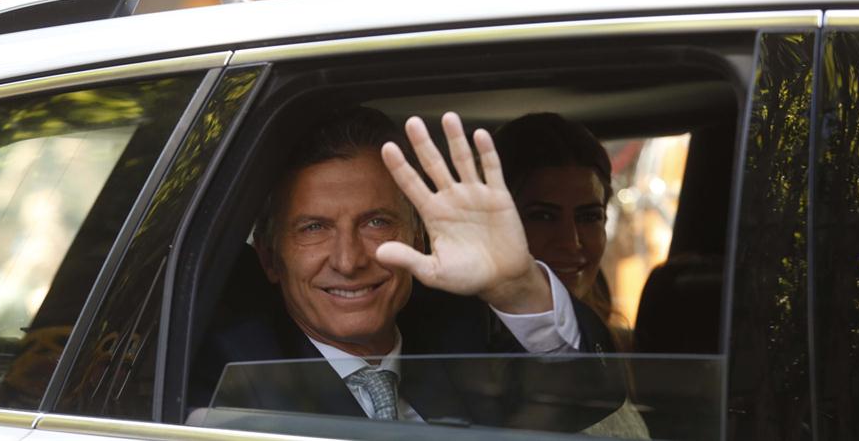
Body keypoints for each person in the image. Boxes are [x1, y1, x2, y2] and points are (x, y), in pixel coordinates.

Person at [190, 107, 624, 430]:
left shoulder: (463, 335)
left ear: (419, 236)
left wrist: (518, 286)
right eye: (314, 228)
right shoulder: (232, 377)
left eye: (377, 222)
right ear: (270, 257)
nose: (349, 260)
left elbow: (591, 394)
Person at [494, 113, 650, 439]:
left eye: (589, 216)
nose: (571, 241)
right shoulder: (470, 352)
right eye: (543, 216)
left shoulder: (607, 343)